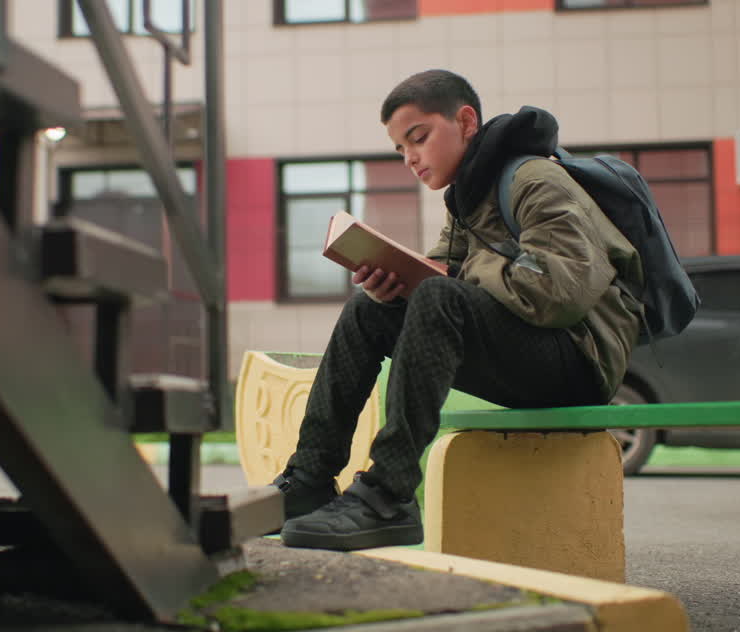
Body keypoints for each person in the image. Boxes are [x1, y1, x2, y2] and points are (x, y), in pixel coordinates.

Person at [273, 69, 644, 552]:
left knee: (437, 297)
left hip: (578, 361)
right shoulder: (469, 199)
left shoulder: (537, 180)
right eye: (400, 149)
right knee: (370, 310)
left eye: (419, 138)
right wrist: (395, 285)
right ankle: (310, 479)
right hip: (522, 353)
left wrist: (445, 279)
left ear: (466, 121)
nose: (410, 158)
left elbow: (560, 294)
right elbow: (448, 280)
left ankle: (389, 495)